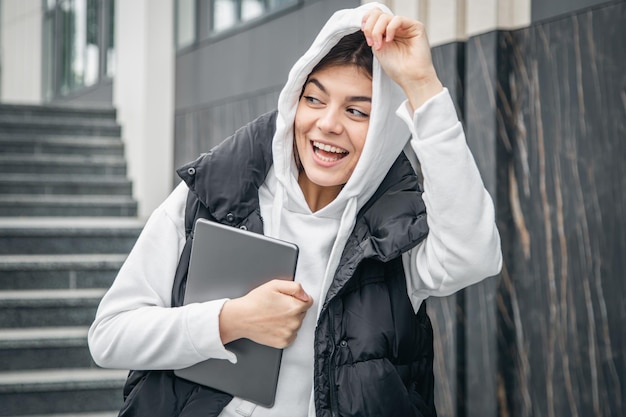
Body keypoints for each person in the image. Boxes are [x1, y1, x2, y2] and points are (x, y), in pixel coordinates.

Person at [88, 3, 502, 417]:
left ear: (383, 133)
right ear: (293, 102)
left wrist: (423, 85)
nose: (327, 123)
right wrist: (230, 320)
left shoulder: (394, 236)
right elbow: (109, 336)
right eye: (314, 99)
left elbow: (472, 255)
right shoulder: (213, 194)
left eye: (356, 111)